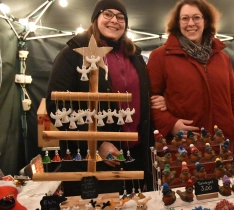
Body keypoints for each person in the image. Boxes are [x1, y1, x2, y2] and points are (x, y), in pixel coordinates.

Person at [46, 0, 165, 193]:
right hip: (93, 159)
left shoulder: (134, 56)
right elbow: (57, 107)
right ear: (96, 18)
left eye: (120, 17)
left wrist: (158, 99)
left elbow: (143, 94)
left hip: (135, 153)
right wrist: (96, 142)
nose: (114, 21)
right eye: (107, 14)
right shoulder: (72, 54)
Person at [147, 0, 234, 147]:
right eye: (185, 18)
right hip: (184, 147)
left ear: (205, 21)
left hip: (222, 145)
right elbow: (150, 100)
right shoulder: (160, 57)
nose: (191, 23)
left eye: (196, 17)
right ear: (178, 22)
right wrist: (171, 124)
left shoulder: (222, 57)